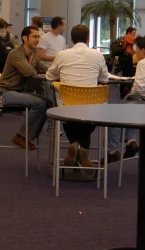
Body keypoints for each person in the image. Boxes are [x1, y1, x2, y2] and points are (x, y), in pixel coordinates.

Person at [46, 24, 109, 169]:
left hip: (68, 105)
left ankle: (76, 145)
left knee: (67, 116)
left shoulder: (62, 54)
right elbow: (104, 79)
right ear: (88, 39)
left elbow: (50, 76)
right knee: (90, 118)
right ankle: (82, 149)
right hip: (91, 106)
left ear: (72, 39)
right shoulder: (98, 55)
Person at [0, 26, 50, 150]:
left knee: (48, 103)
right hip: (3, 95)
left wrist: (56, 73)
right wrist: (40, 73)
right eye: (34, 37)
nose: (37, 40)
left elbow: (45, 70)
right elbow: (29, 71)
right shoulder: (15, 53)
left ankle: (27, 137)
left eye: (38, 37)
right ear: (25, 38)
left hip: (19, 94)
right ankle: (21, 136)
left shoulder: (32, 55)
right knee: (39, 103)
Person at [120, 26, 137, 97]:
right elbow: (136, 41)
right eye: (133, 33)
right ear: (129, 32)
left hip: (126, 57)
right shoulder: (128, 36)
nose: (134, 35)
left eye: (135, 33)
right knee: (127, 75)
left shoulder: (126, 37)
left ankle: (124, 92)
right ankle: (125, 93)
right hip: (126, 57)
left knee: (126, 74)